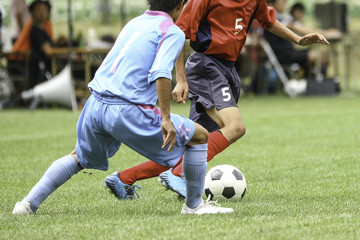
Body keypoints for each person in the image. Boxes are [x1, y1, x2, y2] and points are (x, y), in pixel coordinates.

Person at [12, 0, 234, 216]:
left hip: (95, 104)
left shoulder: (134, 23)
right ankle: (194, 207)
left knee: (78, 157)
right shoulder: (172, 31)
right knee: (200, 135)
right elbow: (161, 73)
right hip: (127, 108)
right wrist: (165, 118)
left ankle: (27, 204)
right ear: (180, 6)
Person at [102, 0, 330, 199]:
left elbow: (268, 20)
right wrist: (180, 79)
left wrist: (298, 40)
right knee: (235, 127)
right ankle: (178, 174)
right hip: (206, 65)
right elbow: (179, 35)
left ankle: (124, 178)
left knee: (194, 146)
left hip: (228, 70)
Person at [264, 0, 338, 79]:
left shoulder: (283, 17)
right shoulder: (273, 18)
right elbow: (299, 28)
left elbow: (303, 27)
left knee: (322, 56)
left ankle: (309, 81)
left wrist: (324, 32)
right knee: (322, 57)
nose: (285, 2)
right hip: (283, 55)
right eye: (282, 1)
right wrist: (324, 34)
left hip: (290, 52)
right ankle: (315, 82)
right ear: (271, 3)